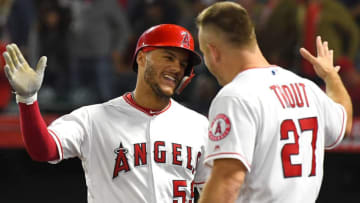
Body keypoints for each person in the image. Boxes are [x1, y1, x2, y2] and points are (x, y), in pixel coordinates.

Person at [3, 24, 209, 203]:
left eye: (183, 64)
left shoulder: (198, 125)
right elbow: (43, 150)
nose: (176, 67)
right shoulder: (93, 118)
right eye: (169, 57)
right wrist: (28, 100)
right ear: (142, 58)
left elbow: (216, 189)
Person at [196, 2, 353, 203]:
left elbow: (228, 180)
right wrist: (331, 76)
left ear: (213, 52)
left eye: (204, 52)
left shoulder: (234, 96)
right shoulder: (306, 87)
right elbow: (344, 124)